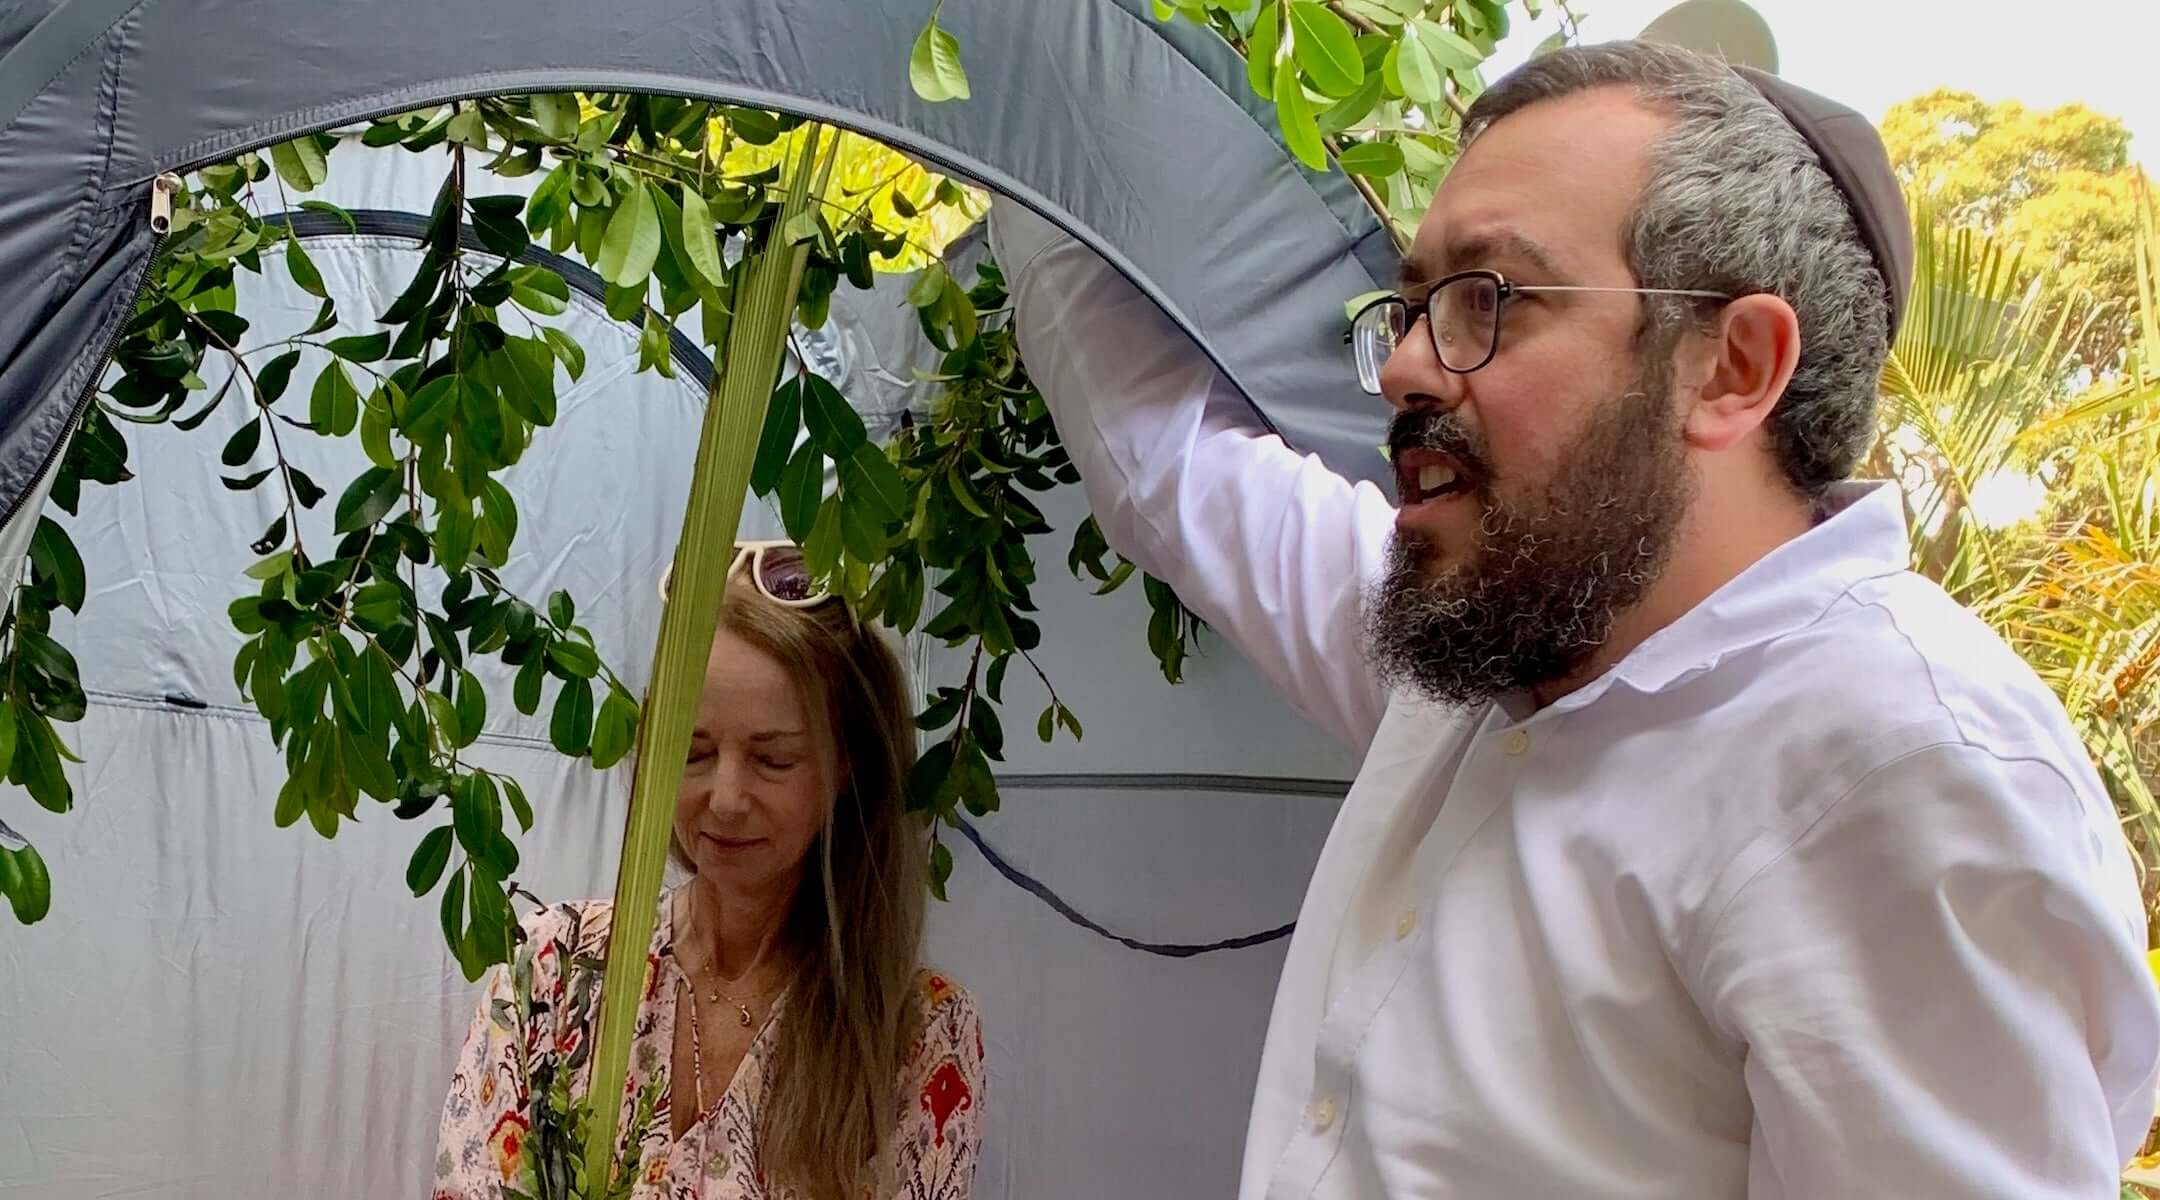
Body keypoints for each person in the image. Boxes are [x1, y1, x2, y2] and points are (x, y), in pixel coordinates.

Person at [989, 39, 2160, 1199]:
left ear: (1731, 368)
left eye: (1487, 299)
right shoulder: (1490, 641)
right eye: (1409, 306)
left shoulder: (1893, 771)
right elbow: (1169, 466)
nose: (1403, 364)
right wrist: (1018, 82)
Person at [434, 541, 986, 1200]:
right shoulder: (555, 977)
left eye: (773, 759)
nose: (724, 798)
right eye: (694, 752)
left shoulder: (915, 1038)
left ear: (849, 765)